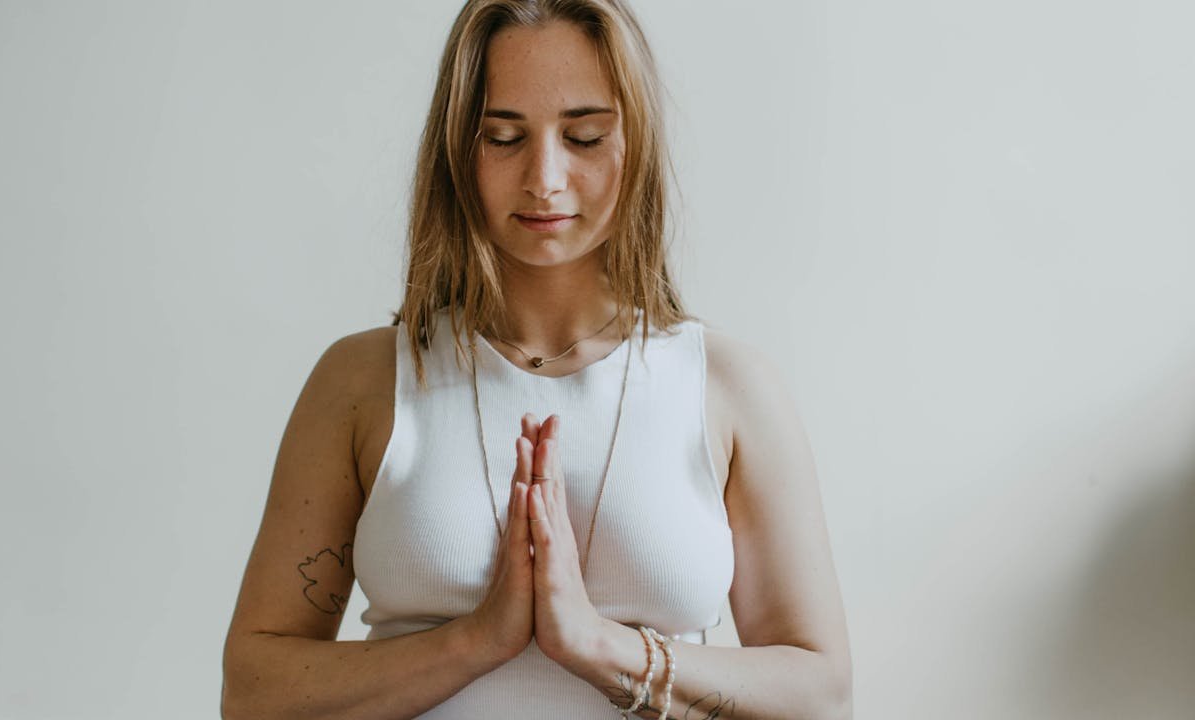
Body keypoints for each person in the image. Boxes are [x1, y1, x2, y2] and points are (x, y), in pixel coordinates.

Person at [220, 1, 852, 718]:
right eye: (503, 137)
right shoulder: (364, 382)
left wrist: (596, 645)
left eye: (585, 137)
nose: (544, 178)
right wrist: (477, 640)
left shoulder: (728, 387)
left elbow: (821, 696)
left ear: (637, 143)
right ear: (456, 150)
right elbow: (253, 693)